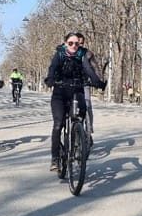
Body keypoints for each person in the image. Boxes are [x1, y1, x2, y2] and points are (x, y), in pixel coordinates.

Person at [44, 32, 106, 171]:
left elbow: (88, 69)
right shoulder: (59, 54)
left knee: (79, 117)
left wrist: (97, 82)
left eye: (76, 43)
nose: (74, 46)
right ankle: (55, 159)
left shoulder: (82, 55)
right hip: (60, 93)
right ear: (65, 43)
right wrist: (50, 79)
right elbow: (52, 68)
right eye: (70, 43)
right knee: (58, 125)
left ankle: (77, 140)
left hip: (76, 91)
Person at [75, 32, 100, 137]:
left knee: (87, 104)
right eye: (77, 43)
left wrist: (98, 80)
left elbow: (95, 67)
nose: (79, 45)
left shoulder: (88, 54)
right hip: (70, 85)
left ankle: (89, 128)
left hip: (84, 83)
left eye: (81, 43)